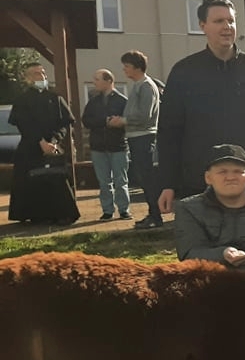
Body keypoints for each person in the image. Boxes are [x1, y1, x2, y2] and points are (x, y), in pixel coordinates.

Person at [157, 0, 245, 214]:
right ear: (203, 26)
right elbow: (169, 133)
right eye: (219, 21)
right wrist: (167, 183)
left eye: (231, 21)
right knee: (203, 248)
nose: (227, 27)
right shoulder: (184, 73)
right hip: (199, 187)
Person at [7, 62, 80, 225]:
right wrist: (40, 142)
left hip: (52, 146)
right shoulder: (22, 100)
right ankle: (34, 215)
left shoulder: (55, 98)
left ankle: (60, 215)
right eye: (36, 73)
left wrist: (53, 141)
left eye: (43, 73)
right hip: (29, 146)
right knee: (28, 181)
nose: (41, 76)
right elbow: (24, 124)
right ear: (27, 78)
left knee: (56, 179)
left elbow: (64, 123)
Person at [115, 50, 164, 229]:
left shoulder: (146, 86)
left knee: (147, 179)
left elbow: (145, 115)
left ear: (137, 67)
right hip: (137, 136)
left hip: (144, 137)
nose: (124, 70)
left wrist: (124, 121)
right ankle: (152, 214)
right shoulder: (138, 85)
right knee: (143, 179)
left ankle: (156, 216)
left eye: (127, 66)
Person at [82, 69, 131, 220]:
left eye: (97, 79)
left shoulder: (122, 100)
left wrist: (119, 123)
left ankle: (124, 209)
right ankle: (107, 210)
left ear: (108, 81)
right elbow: (86, 121)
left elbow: (129, 121)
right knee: (104, 181)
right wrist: (105, 121)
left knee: (120, 180)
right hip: (98, 147)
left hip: (118, 146)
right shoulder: (93, 102)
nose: (94, 82)